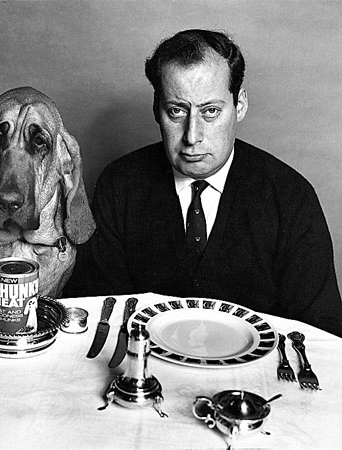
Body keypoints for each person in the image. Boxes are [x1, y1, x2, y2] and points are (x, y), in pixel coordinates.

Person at [66, 29, 342, 337]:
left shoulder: (291, 197)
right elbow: (100, 314)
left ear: (240, 105)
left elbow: (322, 333)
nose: (192, 136)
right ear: (156, 108)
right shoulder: (120, 185)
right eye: (176, 111)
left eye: (210, 111)